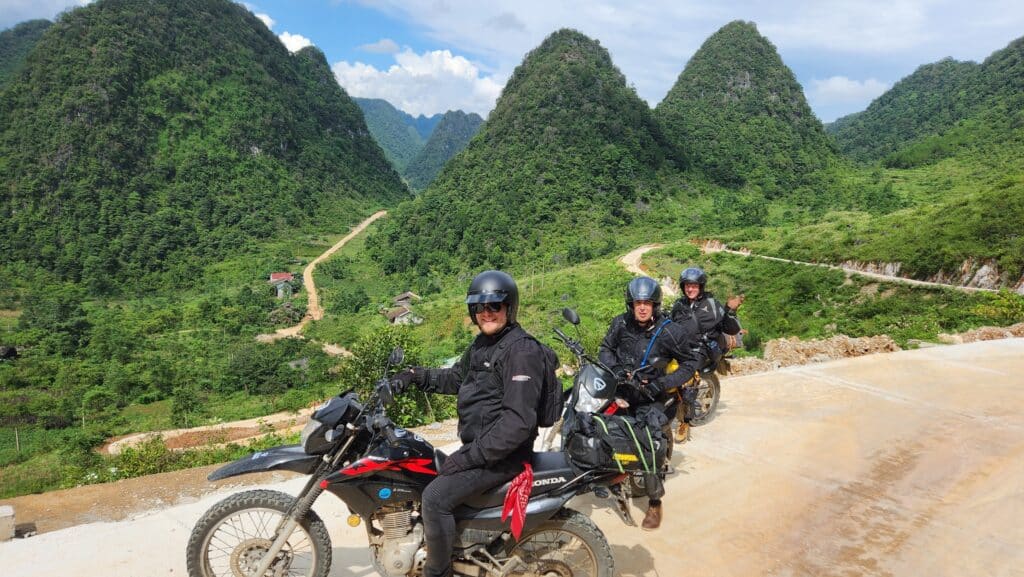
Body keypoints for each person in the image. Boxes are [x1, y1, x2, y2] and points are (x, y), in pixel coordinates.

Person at [389, 270, 547, 577]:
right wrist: (414, 375)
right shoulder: (482, 345)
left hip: (503, 456)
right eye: (479, 308)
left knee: (434, 498)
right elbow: (456, 378)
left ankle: (439, 572)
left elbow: (517, 422)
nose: (486, 313)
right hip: (483, 448)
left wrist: (469, 457)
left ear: (509, 308)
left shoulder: (521, 351)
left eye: (494, 306)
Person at [598, 276, 700, 530]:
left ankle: (654, 502)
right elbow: (605, 349)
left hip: (652, 397)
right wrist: (615, 370)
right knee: (596, 425)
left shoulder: (669, 331)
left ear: (655, 305)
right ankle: (607, 477)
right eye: (637, 303)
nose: (642, 307)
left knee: (649, 442)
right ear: (630, 304)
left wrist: (663, 383)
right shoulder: (620, 324)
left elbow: (690, 362)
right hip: (622, 390)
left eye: (647, 303)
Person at [669, 267, 744, 442]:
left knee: (686, 379)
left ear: (701, 287)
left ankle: (684, 422)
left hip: (701, 349)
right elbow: (669, 324)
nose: (690, 289)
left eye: (694, 285)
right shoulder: (679, 305)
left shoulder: (712, 304)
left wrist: (730, 312)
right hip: (681, 348)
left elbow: (732, 328)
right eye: (687, 285)